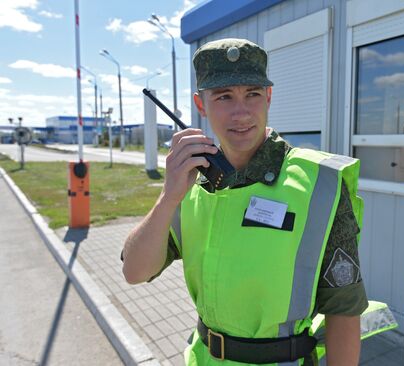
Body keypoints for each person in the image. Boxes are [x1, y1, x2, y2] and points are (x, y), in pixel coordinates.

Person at [122, 38, 368, 365]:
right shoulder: (191, 181)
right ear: (201, 105)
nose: (241, 112)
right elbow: (135, 271)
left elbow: (344, 311)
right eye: (224, 96)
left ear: (268, 96)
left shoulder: (318, 184)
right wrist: (168, 197)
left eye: (252, 93)